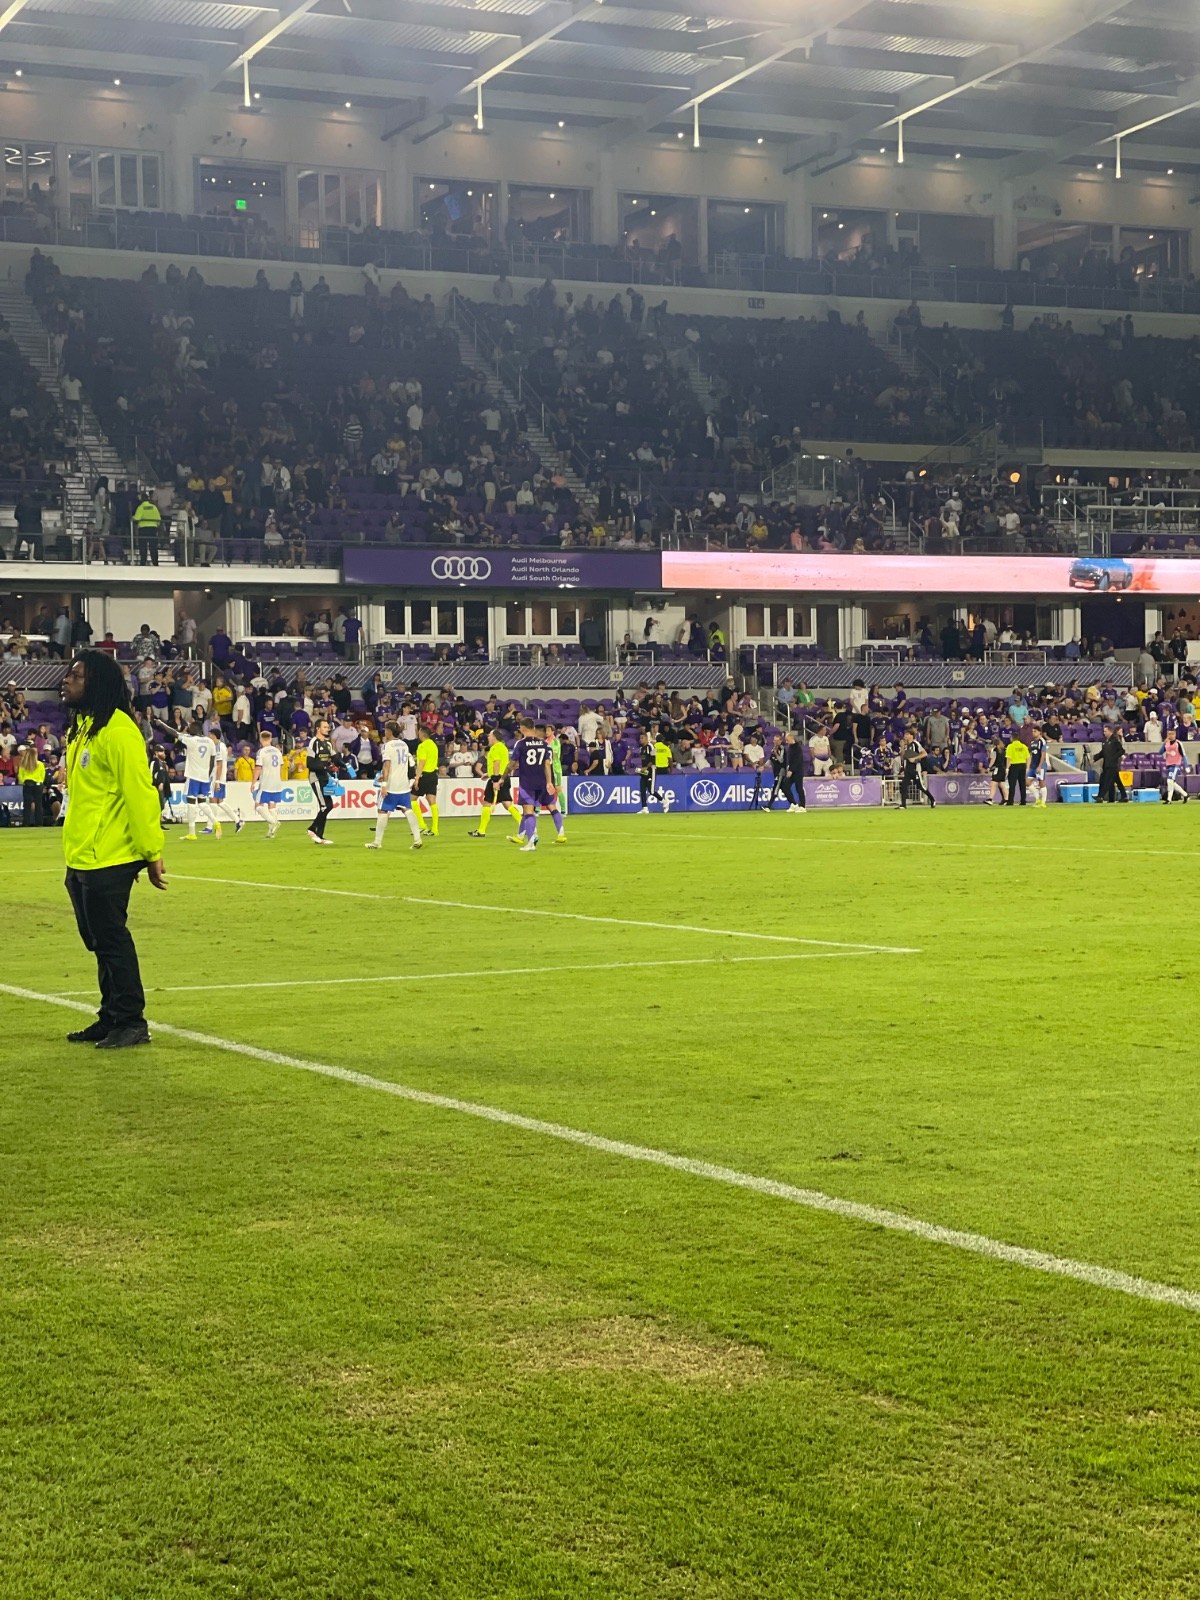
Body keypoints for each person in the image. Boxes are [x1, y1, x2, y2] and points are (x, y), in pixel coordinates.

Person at [59, 650, 166, 1049]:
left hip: (112, 855)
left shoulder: (119, 730)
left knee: (112, 940)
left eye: (77, 676)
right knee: (98, 941)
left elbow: (140, 794)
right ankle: (110, 1017)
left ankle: (132, 1021)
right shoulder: (85, 727)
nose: (67, 680)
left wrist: (152, 852)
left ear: (98, 683)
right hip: (82, 853)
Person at [366, 721, 423, 851]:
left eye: (385, 729)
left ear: (389, 731)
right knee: (407, 810)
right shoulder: (404, 744)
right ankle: (417, 838)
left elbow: (387, 765)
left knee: (382, 811)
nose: (384, 732)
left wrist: (384, 784)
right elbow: (406, 764)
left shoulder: (387, 746)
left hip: (391, 785)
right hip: (403, 784)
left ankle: (377, 842)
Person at [164, 716, 216, 840]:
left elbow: (174, 733)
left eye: (190, 728)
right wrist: (207, 775)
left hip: (193, 776)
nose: (188, 730)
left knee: (191, 803)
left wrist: (161, 724)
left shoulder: (191, 740)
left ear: (196, 730)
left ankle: (192, 833)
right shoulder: (210, 742)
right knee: (202, 802)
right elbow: (212, 760)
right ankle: (215, 822)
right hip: (205, 777)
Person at [510, 717, 554, 852]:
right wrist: (549, 782)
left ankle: (530, 842)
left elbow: (513, 763)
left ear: (523, 729)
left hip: (527, 782)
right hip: (541, 782)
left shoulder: (521, 744)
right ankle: (529, 835)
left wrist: (508, 772)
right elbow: (547, 764)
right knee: (531, 811)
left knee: (528, 811)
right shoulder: (544, 744)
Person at [469, 728, 521, 839]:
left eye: (489, 736)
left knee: (487, 803)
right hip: (504, 777)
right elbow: (502, 765)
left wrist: (495, 779)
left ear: (494, 737)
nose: (488, 737)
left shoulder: (496, 748)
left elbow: (497, 764)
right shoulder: (503, 747)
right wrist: (488, 774)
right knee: (507, 804)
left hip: (498, 779)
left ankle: (481, 830)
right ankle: (523, 825)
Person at [204, 727, 241, 836]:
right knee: (219, 801)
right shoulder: (217, 746)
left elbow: (219, 764)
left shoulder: (219, 747)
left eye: (209, 735)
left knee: (213, 800)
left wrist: (217, 781)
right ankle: (238, 820)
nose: (208, 737)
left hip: (217, 777)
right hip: (217, 777)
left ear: (214, 736)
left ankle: (210, 826)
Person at [305, 717, 337, 843]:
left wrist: (345, 766)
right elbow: (310, 763)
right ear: (318, 729)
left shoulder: (328, 744)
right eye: (325, 727)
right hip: (316, 777)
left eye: (328, 727)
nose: (327, 729)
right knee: (326, 806)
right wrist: (326, 767)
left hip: (325, 777)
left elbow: (335, 757)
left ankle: (319, 836)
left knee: (327, 806)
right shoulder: (313, 742)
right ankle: (312, 829)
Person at [253, 729, 286, 837]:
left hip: (266, 782)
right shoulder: (277, 751)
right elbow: (281, 766)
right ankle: (271, 832)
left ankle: (273, 822)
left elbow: (258, 768)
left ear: (261, 739)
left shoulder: (261, 752)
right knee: (272, 806)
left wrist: (253, 782)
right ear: (270, 739)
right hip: (277, 782)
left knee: (258, 805)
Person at [413, 728, 441, 837]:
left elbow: (422, 763)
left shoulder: (422, 746)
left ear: (421, 734)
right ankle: (435, 829)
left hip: (425, 775)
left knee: (411, 799)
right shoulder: (433, 745)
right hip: (434, 774)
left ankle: (422, 825)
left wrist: (417, 778)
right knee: (432, 801)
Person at [636, 729, 670, 814]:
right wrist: (642, 769)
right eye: (640, 738)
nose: (641, 740)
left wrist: (646, 767)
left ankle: (664, 801)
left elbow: (653, 759)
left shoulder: (651, 747)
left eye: (642, 738)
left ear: (647, 739)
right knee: (642, 790)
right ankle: (645, 808)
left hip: (651, 770)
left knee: (651, 791)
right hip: (644, 771)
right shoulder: (641, 749)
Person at [17, 743, 45, 827]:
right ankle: (39, 823)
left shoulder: (23, 764)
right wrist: (39, 782)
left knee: (27, 805)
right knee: (38, 805)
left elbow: (20, 776)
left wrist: (24, 782)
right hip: (38, 785)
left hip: (27, 784)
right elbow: (42, 776)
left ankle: (26, 823)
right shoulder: (40, 764)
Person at [1096, 731, 1127, 804]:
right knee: (1116, 781)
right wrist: (1095, 757)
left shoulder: (1115, 741)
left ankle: (1100, 796)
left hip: (1112, 765)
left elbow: (1122, 751)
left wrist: (1114, 757)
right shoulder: (1106, 741)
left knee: (1106, 781)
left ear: (1110, 731)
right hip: (1108, 764)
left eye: (1105, 731)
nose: (1104, 732)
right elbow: (1103, 752)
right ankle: (1122, 796)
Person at [132, 493, 162, 566]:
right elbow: (159, 519)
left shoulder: (141, 507)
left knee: (143, 547)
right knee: (153, 547)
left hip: (143, 529)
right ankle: (155, 562)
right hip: (153, 529)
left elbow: (137, 518)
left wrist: (132, 518)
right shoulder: (154, 507)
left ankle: (143, 562)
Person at [1005, 732, 1030, 807]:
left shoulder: (1010, 746)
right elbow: (1028, 757)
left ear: (1012, 738)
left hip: (1014, 765)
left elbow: (1009, 758)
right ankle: (1023, 801)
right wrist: (1027, 767)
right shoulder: (1023, 746)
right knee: (1022, 784)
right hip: (1022, 765)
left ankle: (1010, 801)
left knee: (1012, 784)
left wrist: (1007, 768)